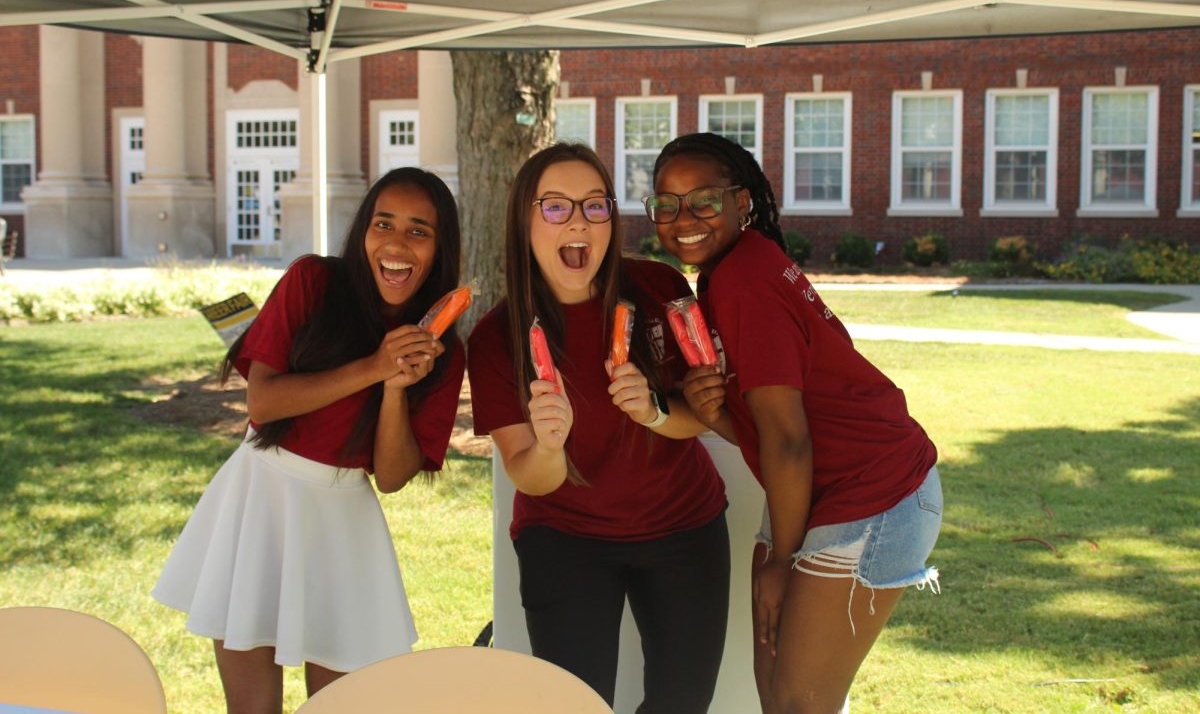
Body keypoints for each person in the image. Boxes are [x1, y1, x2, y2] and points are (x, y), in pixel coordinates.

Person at [645, 133, 942, 714]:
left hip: (873, 494)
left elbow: (788, 438)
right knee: (784, 698)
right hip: (816, 491)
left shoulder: (744, 281)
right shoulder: (735, 269)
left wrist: (782, 562)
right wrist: (716, 412)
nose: (684, 219)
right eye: (666, 205)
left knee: (800, 702)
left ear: (743, 203)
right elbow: (770, 428)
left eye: (704, 200)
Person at [153, 167, 466, 714]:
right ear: (362, 231)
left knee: (340, 705)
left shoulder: (442, 347)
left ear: (441, 249)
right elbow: (263, 403)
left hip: (343, 519)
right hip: (259, 500)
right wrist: (373, 365)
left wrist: (395, 388)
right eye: (382, 224)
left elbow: (391, 478)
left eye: (419, 231)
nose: (395, 244)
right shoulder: (312, 282)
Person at [468, 142, 730, 713]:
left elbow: (701, 416)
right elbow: (530, 477)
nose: (579, 222)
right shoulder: (496, 338)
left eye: (595, 205)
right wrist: (550, 443)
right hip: (566, 538)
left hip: (683, 526)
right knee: (574, 706)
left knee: (681, 706)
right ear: (525, 220)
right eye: (556, 207)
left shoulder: (662, 291)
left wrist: (655, 412)